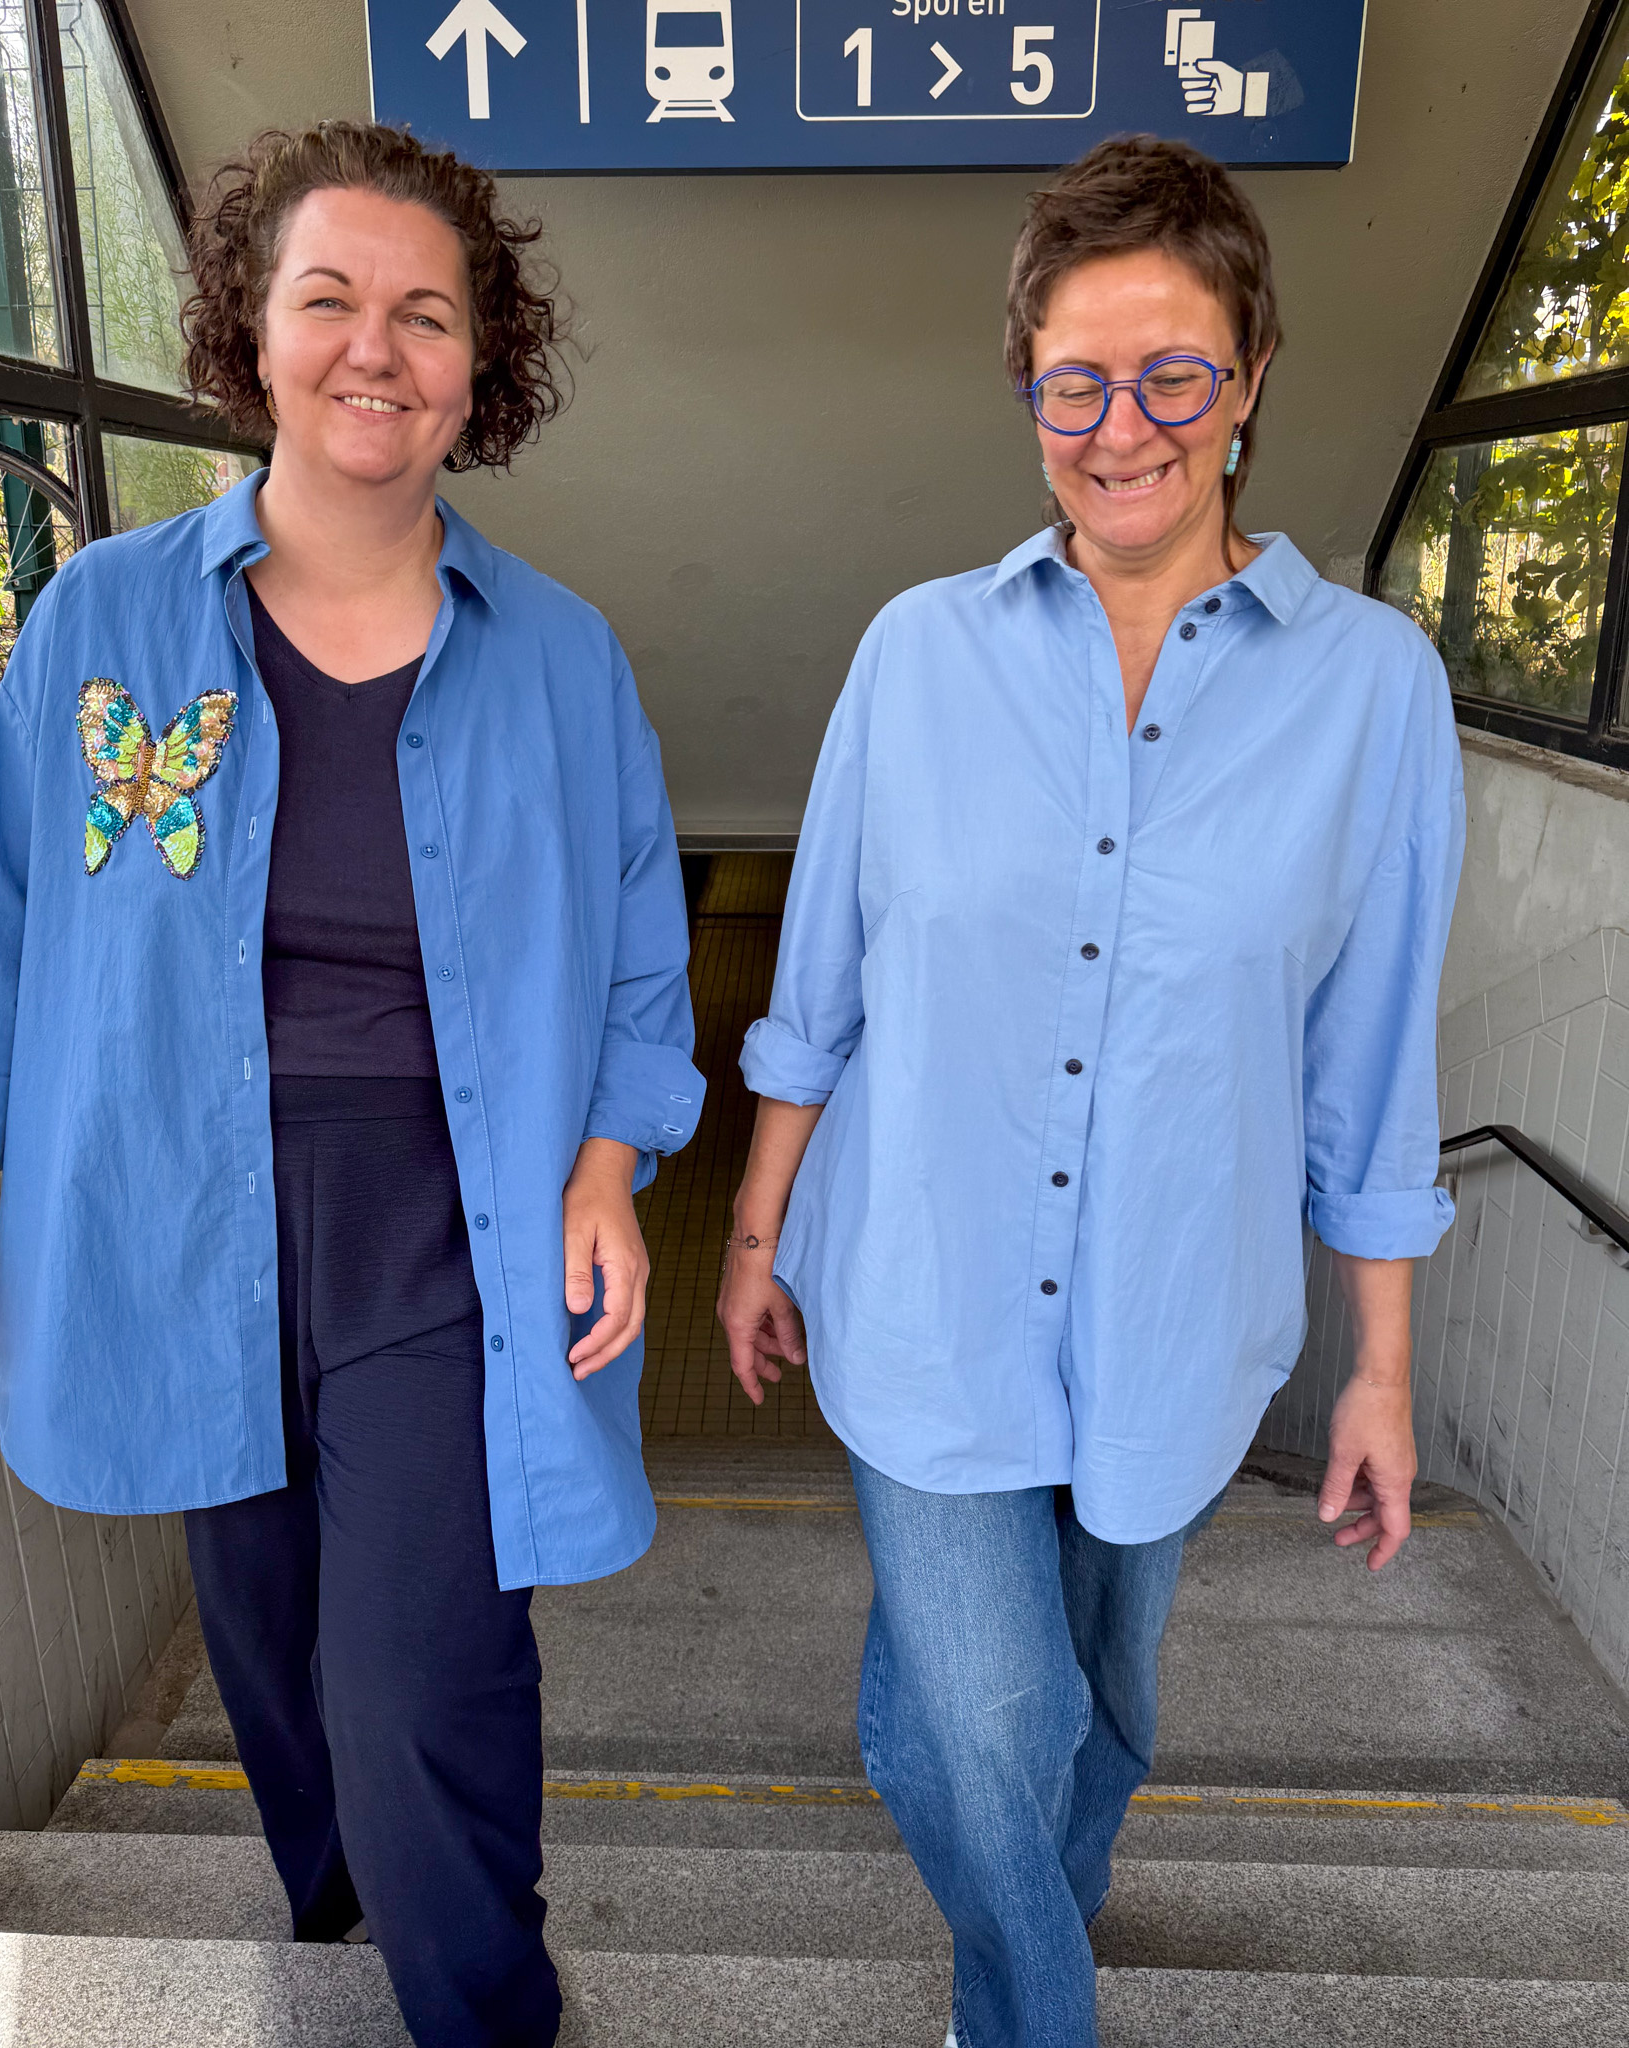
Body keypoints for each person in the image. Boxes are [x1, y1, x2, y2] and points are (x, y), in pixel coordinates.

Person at [0, 122, 703, 2048]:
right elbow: (2, 926)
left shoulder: (560, 660)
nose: (373, 349)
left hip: (444, 1222)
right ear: (254, 330)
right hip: (172, 1206)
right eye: (328, 300)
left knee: (417, 1673)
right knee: (276, 1666)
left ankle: (482, 2006)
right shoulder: (105, 622)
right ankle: (346, 1947)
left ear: (483, 365)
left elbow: (643, 952)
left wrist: (604, 1165)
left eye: (426, 314)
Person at [717, 135, 1462, 2048]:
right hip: (921, 1285)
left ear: (1253, 375)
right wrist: (754, 1235)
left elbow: (1371, 1059)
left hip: (1177, 1309)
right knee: (983, 1713)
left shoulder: (1374, 690)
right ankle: (1031, 2012)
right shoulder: (917, 654)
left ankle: (1044, 1900)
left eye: (1173, 373)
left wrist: (1380, 1370)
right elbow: (820, 989)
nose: (1122, 427)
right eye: (1075, 383)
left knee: (1103, 1703)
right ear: (1029, 394)